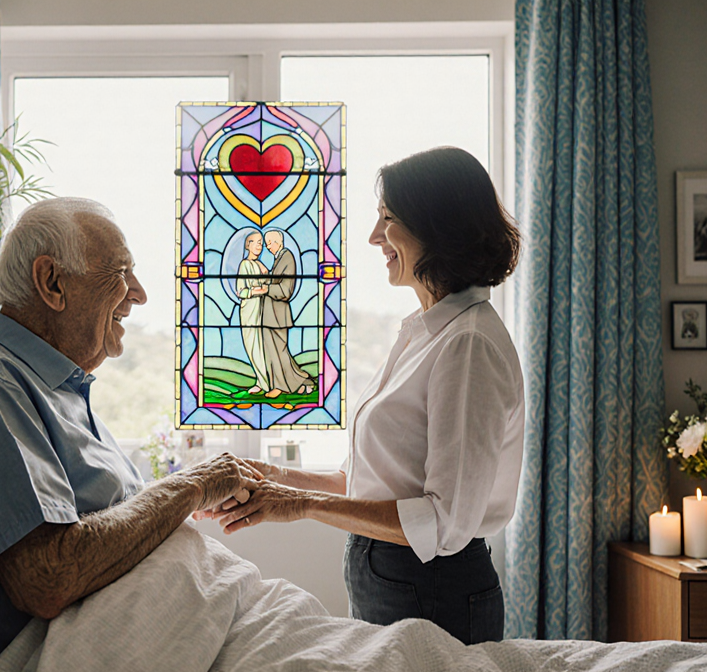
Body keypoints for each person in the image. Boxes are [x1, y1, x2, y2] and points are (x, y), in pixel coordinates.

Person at [0, 197, 263, 668]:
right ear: (51, 282)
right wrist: (190, 486)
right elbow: (49, 576)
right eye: (120, 271)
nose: (139, 293)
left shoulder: (50, 387)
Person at [206, 147, 524, 645]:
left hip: (429, 585)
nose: (374, 237)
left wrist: (300, 503)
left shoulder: (467, 346)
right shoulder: (427, 332)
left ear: (434, 225)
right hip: (393, 574)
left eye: (388, 220)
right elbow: (379, 483)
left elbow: (442, 523)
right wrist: (277, 477)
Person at [258, 229, 315, 398]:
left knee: (279, 352)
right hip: (271, 314)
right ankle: (302, 381)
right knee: (276, 351)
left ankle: (281, 387)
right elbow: (277, 281)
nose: (268, 247)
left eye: (270, 243)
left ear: (280, 242)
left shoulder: (286, 257)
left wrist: (266, 288)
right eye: (266, 243)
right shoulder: (279, 259)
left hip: (277, 315)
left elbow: (285, 290)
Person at [236, 231, 272, 394]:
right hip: (249, 310)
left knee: (263, 346)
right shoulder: (244, 265)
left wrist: (266, 273)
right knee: (253, 346)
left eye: (261, 242)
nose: (259, 245)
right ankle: (262, 382)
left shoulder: (260, 265)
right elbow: (241, 291)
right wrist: (257, 291)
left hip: (262, 309)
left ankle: (265, 382)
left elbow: (269, 285)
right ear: (247, 245)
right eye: (255, 242)